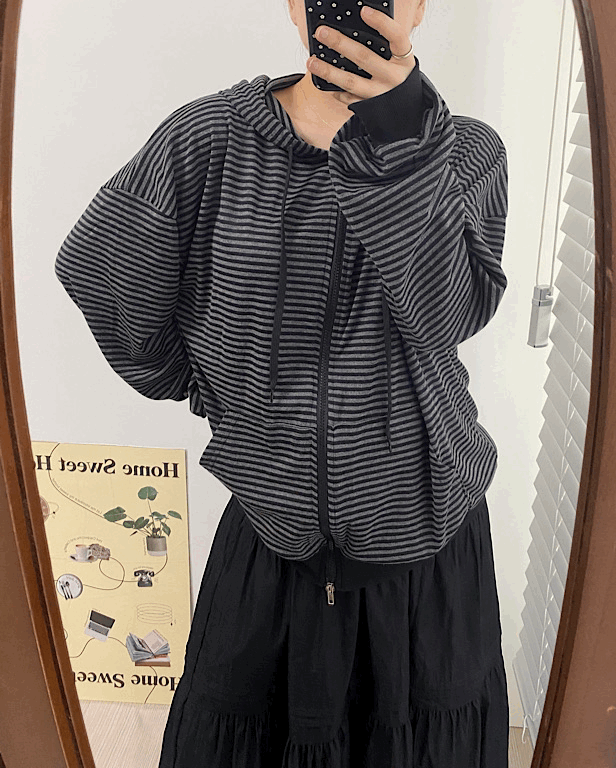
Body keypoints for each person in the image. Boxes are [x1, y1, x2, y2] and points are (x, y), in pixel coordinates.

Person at [54, 0, 510, 764]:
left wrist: (402, 134)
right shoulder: (207, 140)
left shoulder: (466, 153)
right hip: (271, 545)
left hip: (431, 539)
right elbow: (103, 270)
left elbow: (445, 315)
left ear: (418, 6)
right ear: (296, 4)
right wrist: (211, 392)